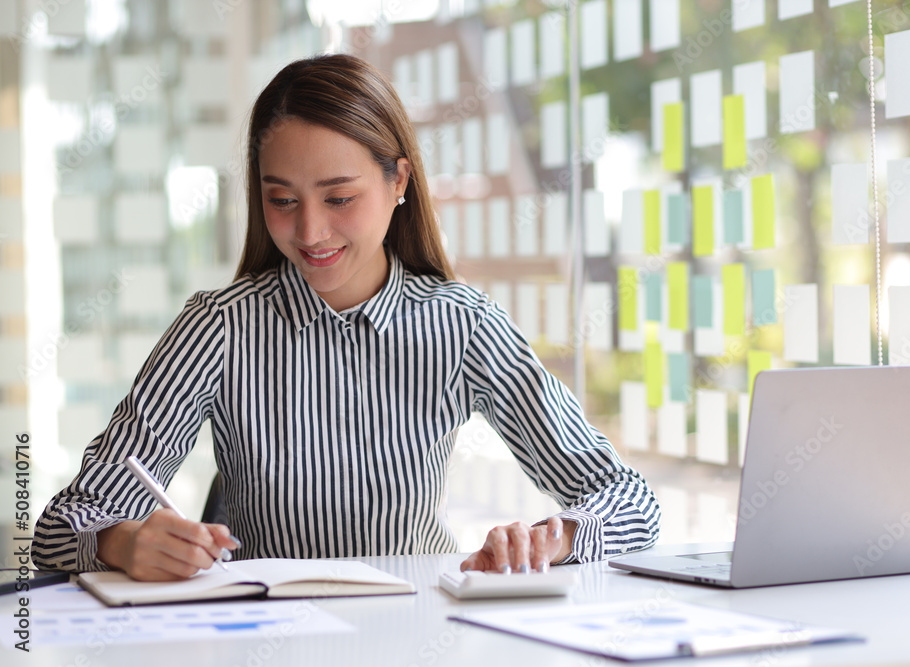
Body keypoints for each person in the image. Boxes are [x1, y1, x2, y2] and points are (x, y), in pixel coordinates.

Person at [32, 54, 660, 581]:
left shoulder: (461, 325)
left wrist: (558, 537)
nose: (310, 231)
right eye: (282, 200)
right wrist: (122, 543)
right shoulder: (218, 328)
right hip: (267, 636)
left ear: (398, 183)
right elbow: (62, 528)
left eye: (339, 198)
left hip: (416, 632)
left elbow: (632, 502)